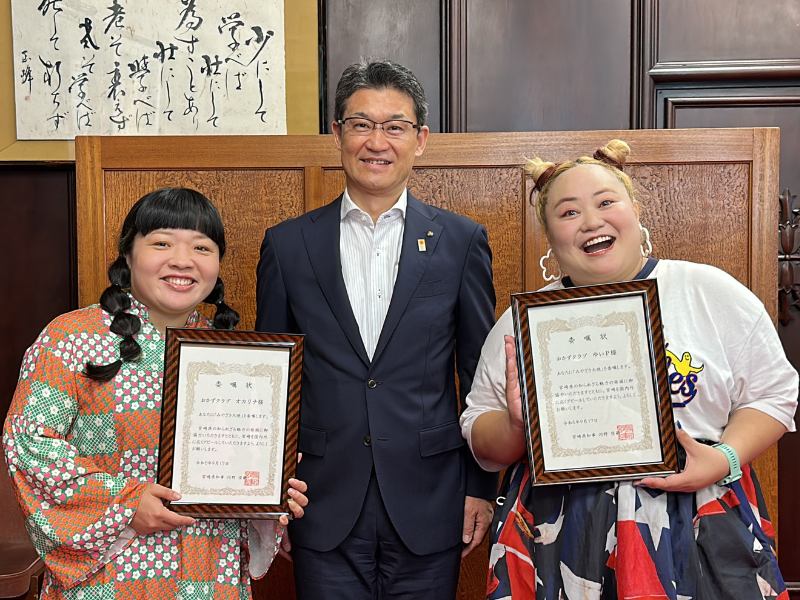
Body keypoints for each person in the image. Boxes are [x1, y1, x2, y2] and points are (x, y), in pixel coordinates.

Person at [460, 140, 799, 599]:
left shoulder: (707, 291)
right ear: (550, 237)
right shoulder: (523, 324)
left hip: (698, 516)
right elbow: (481, 434)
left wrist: (724, 458)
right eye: (568, 212)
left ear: (635, 212)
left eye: (605, 202)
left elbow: (774, 394)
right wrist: (518, 424)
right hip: (557, 528)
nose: (591, 221)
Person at [256, 58, 498, 599]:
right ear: (337, 134)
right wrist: (271, 495)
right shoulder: (288, 244)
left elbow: (482, 379)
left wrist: (481, 488)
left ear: (421, 139)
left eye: (395, 126)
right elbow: (271, 381)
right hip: (318, 500)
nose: (377, 141)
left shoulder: (461, 242)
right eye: (362, 124)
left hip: (432, 498)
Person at [3, 188, 309, 600]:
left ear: (217, 264)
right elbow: (27, 445)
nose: (182, 260)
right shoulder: (71, 338)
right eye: (162, 242)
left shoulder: (239, 355)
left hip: (208, 568)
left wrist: (272, 486)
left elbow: (244, 466)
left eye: (202, 247)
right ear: (128, 255)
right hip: (111, 575)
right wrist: (126, 503)